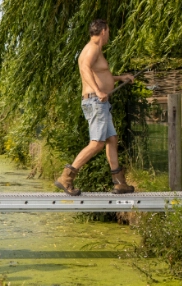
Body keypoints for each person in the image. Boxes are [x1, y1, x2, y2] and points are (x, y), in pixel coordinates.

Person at [54, 19, 135, 196]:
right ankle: (66, 177)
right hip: (96, 102)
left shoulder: (94, 49)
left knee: (111, 139)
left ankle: (119, 182)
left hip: (99, 103)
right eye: (109, 31)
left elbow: (101, 74)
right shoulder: (92, 49)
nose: (109, 35)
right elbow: (84, 69)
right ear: (104, 31)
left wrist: (120, 78)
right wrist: (98, 91)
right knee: (97, 143)